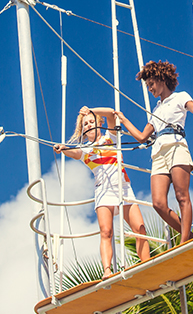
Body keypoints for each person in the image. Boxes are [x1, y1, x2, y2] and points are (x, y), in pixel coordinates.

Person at [53, 106, 150, 278]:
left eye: (92, 122)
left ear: (99, 123)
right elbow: (73, 152)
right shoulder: (85, 150)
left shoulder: (111, 137)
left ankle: (146, 264)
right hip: (103, 191)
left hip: (124, 188)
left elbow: (111, 112)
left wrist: (90, 110)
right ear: (82, 130)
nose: (89, 125)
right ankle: (107, 270)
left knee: (140, 228)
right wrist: (62, 148)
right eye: (86, 124)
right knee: (106, 231)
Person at [114, 61, 193, 244]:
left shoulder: (180, 97)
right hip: (158, 153)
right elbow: (142, 137)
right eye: (147, 86)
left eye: (151, 84)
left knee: (181, 196)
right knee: (158, 203)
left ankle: (184, 241)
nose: (150, 89)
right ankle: (191, 237)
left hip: (176, 146)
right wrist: (123, 120)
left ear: (161, 79)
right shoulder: (155, 110)